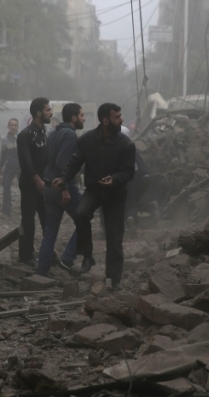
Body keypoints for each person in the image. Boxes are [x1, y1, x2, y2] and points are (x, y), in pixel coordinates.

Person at [53, 103, 135, 290]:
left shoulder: (126, 144)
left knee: (114, 237)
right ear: (105, 121)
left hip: (116, 194)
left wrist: (114, 179)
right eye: (117, 117)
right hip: (94, 191)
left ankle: (114, 280)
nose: (121, 120)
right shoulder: (87, 140)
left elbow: (129, 173)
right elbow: (75, 162)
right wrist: (64, 178)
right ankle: (87, 256)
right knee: (81, 214)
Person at [36, 103, 84, 277]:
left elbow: (47, 161)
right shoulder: (70, 135)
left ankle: (41, 272)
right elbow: (62, 164)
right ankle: (68, 259)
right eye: (81, 115)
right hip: (63, 186)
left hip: (48, 185)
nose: (84, 118)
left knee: (50, 232)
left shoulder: (53, 133)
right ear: (73, 118)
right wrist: (64, 188)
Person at [17, 97, 52, 265]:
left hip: (44, 184)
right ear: (39, 113)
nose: (50, 113)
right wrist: (37, 180)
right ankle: (25, 255)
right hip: (30, 184)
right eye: (47, 110)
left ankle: (48, 252)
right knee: (28, 220)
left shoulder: (44, 133)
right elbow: (26, 162)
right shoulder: (25, 135)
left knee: (47, 218)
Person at [0, 118, 20, 216]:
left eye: (15, 125)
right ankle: (6, 210)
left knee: (24, 188)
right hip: (9, 167)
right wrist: (0, 167)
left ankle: (25, 210)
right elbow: (3, 155)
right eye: (11, 125)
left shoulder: (22, 138)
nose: (13, 127)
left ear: (17, 127)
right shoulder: (4, 140)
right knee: (6, 187)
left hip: (21, 167)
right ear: (8, 127)